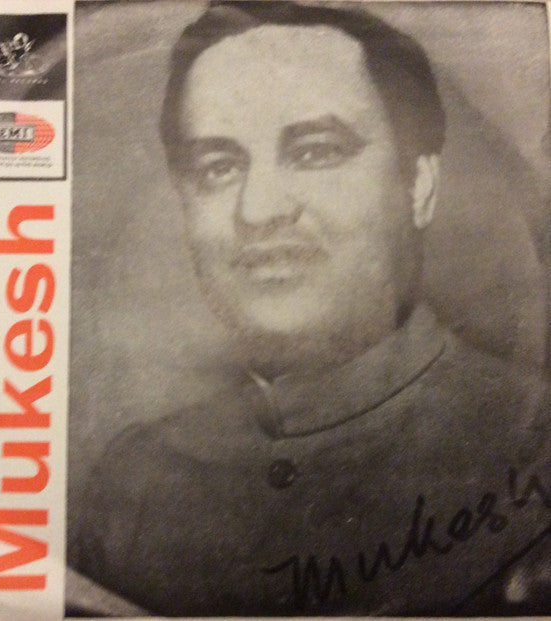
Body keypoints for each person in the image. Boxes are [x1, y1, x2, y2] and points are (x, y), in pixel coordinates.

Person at [74, 1, 551, 615]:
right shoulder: (133, 484)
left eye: (315, 152)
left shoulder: (534, 439)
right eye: (218, 167)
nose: (258, 211)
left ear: (420, 187)